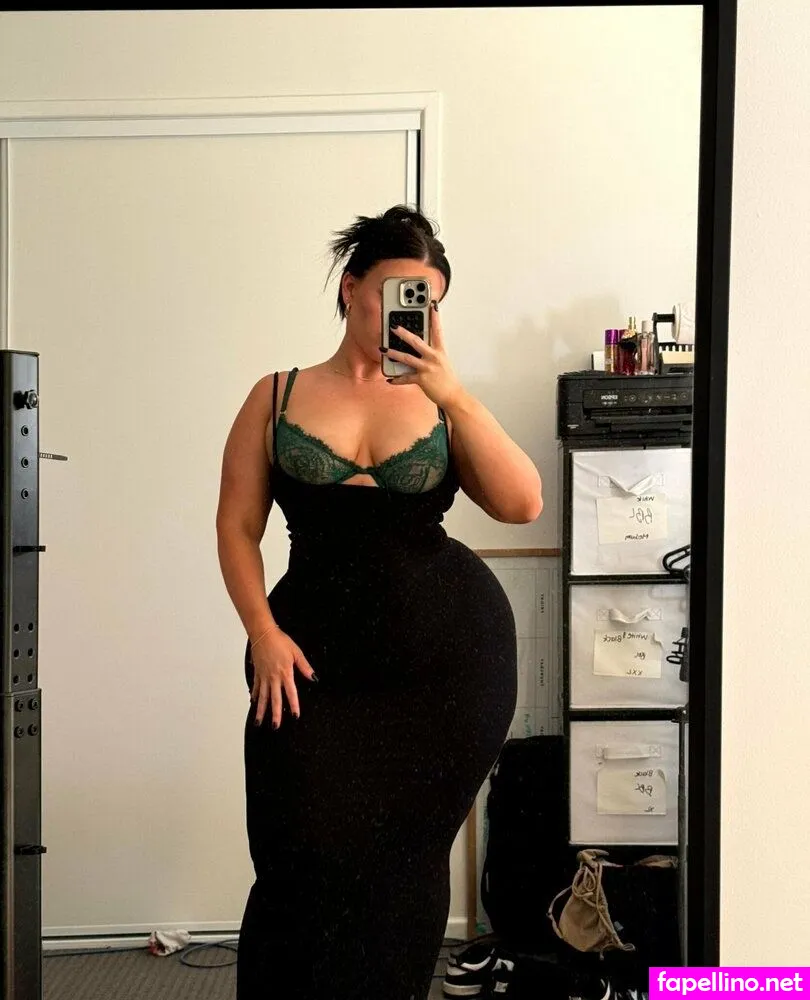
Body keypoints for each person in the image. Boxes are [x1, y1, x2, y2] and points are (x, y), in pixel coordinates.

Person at [215, 204, 543, 1000]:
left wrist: (455, 395)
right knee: (298, 853)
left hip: (447, 668)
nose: (410, 314)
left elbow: (522, 503)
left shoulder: (442, 402)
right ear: (351, 289)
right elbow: (236, 526)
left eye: (428, 301)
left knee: (405, 868)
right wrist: (261, 631)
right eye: (396, 293)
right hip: (307, 660)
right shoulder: (276, 395)